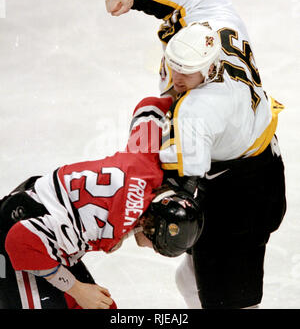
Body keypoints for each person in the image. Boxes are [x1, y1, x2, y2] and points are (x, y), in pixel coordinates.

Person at [105, 0, 287, 309]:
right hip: (259, 167)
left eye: (186, 72)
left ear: (210, 67)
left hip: (239, 199)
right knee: (188, 279)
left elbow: (185, 185)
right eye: (174, 64)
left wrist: (149, 223)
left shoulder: (200, 110)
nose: (176, 78)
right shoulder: (217, 24)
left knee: (230, 301)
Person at [0, 96, 204, 309]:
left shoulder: (146, 166)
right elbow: (19, 242)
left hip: (43, 217)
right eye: (157, 246)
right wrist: (77, 289)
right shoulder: (103, 225)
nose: (153, 251)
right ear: (150, 227)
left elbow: (149, 108)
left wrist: (181, 97)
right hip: (17, 234)